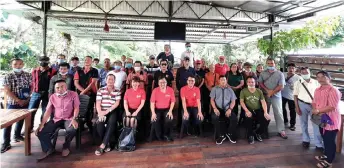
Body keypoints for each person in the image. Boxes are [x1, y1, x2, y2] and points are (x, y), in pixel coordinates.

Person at [36, 80, 80, 159]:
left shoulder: (73, 94)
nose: (59, 89)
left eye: (62, 86)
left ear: (66, 87)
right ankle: (49, 148)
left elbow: (76, 107)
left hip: (69, 118)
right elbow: (48, 111)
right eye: (57, 88)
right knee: (41, 132)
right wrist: (42, 124)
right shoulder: (53, 97)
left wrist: (74, 118)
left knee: (72, 130)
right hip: (57, 119)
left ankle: (66, 147)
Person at [1, 58, 32, 153]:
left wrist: (26, 100)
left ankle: (17, 135)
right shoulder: (8, 76)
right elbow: (7, 90)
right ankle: (6, 143)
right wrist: (18, 100)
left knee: (21, 119)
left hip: (25, 102)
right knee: (8, 122)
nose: (17, 66)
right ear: (12, 65)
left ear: (23, 64)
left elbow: (31, 87)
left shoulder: (28, 75)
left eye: (20, 64)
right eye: (15, 64)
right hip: (13, 103)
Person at [312, 71, 341, 168]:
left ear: (329, 78)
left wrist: (318, 110)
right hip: (321, 119)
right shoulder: (317, 90)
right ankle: (326, 154)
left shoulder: (333, 90)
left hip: (331, 120)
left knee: (329, 140)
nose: (320, 79)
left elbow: (332, 106)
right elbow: (314, 102)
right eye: (318, 77)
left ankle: (329, 161)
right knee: (324, 138)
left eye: (323, 77)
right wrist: (314, 109)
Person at [293, 67, 323, 150]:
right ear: (301, 74)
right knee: (303, 123)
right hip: (302, 104)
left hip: (315, 106)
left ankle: (318, 143)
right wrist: (297, 107)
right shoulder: (298, 83)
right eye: (303, 73)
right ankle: (306, 139)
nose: (305, 74)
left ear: (310, 72)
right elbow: (295, 96)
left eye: (307, 72)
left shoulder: (316, 82)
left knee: (316, 123)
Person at [258, 58, 287, 139]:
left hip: (276, 96)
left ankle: (281, 130)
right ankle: (264, 130)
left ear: (275, 64)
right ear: (266, 64)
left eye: (272, 63)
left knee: (278, 112)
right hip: (265, 95)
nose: (270, 65)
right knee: (265, 112)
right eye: (269, 63)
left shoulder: (279, 73)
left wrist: (272, 92)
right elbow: (260, 83)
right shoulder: (263, 73)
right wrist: (267, 91)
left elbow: (281, 86)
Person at [94, 74, 121, 156]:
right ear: (106, 80)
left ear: (114, 81)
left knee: (112, 123)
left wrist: (106, 111)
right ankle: (107, 143)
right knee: (99, 124)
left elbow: (117, 103)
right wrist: (100, 113)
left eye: (112, 79)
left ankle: (102, 145)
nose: (110, 81)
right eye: (109, 79)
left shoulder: (117, 90)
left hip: (112, 110)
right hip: (101, 111)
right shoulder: (100, 90)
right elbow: (98, 103)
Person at [29, 56, 56, 132]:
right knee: (31, 111)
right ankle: (29, 128)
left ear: (48, 62)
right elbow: (31, 82)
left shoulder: (53, 71)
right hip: (36, 93)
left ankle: (42, 127)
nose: (43, 62)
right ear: (39, 61)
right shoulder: (34, 71)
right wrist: (30, 92)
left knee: (45, 111)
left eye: (45, 61)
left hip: (47, 94)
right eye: (42, 61)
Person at [240, 77, 271, 144]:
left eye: (252, 82)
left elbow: (263, 102)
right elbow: (242, 102)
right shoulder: (243, 91)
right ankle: (250, 135)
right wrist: (246, 111)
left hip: (258, 110)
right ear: (247, 83)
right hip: (249, 109)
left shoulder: (259, 91)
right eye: (249, 82)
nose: (251, 83)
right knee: (249, 118)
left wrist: (265, 112)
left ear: (255, 83)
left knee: (267, 119)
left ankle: (258, 133)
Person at [74, 56, 99, 132]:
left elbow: (93, 83)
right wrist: (82, 91)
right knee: (80, 109)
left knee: (89, 109)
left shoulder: (94, 71)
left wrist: (84, 92)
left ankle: (89, 124)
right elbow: (76, 83)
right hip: (80, 94)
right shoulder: (78, 71)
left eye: (88, 60)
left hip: (91, 93)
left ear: (91, 61)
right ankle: (80, 125)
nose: (86, 61)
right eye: (85, 60)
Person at [210, 75, 237, 145]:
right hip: (217, 108)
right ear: (219, 81)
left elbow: (233, 101)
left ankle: (229, 133)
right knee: (214, 118)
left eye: (224, 80)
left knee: (234, 118)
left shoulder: (230, 89)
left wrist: (230, 109)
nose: (223, 81)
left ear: (226, 81)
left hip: (227, 108)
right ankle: (221, 135)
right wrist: (215, 108)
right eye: (221, 80)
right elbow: (212, 100)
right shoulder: (214, 89)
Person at [149, 76, 175, 142]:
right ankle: (159, 136)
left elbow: (172, 101)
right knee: (155, 120)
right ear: (158, 83)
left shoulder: (170, 90)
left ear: (166, 83)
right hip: (157, 109)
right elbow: (152, 103)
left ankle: (165, 134)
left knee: (169, 119)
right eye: (160, 82)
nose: (162, 84)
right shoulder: (155, 90)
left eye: (164, 82)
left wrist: (170, 111)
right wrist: (153, 113)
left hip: (167, 109)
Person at [176, 57, 196, 129]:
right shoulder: (179, 70)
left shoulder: (192, 70)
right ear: (183, 62)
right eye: (185, 61)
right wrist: (180, 90)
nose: (186, 62)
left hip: (191, 93)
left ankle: (190, 126)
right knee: (181, 108)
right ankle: (180, 126)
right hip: (182, 92)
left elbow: (194, 81)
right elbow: (177, 81)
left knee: (191, 108)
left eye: (188, 61)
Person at [281, 63, 300, 131]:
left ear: (295, 69)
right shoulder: (283, 74)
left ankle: (292, 124)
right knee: (282, 108)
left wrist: (294, 88)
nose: (291, 69)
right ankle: (285, 120)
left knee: (292, 110)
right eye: (289, 68)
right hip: (282, 95)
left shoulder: (298, 77)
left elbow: (299, 88)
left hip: (292, 96)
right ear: (287, 68)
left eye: (293, 68)